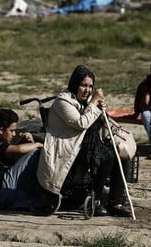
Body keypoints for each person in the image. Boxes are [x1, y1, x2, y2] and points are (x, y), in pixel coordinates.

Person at [37, 64, 131, 217]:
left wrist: (102, 110)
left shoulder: (86, 101)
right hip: (66, 146)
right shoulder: (63, 101)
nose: (87, 90)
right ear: (75, 84)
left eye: (90, 86)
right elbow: (81, 123)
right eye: (83, 85)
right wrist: (93, 103)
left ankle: (116, 202)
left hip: (84, 143)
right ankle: (97, 201)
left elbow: (96, 122)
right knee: (106, 157)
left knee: (123, 156)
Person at [0, 108, 43, 209]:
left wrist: (30, 142)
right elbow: (19, 150)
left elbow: (17, 157)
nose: (14, 134)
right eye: (11, 131)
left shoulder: (1, 145)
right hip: (0, 190)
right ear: (1, 130)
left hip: (5, 186)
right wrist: (37, 144)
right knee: (34, 152)